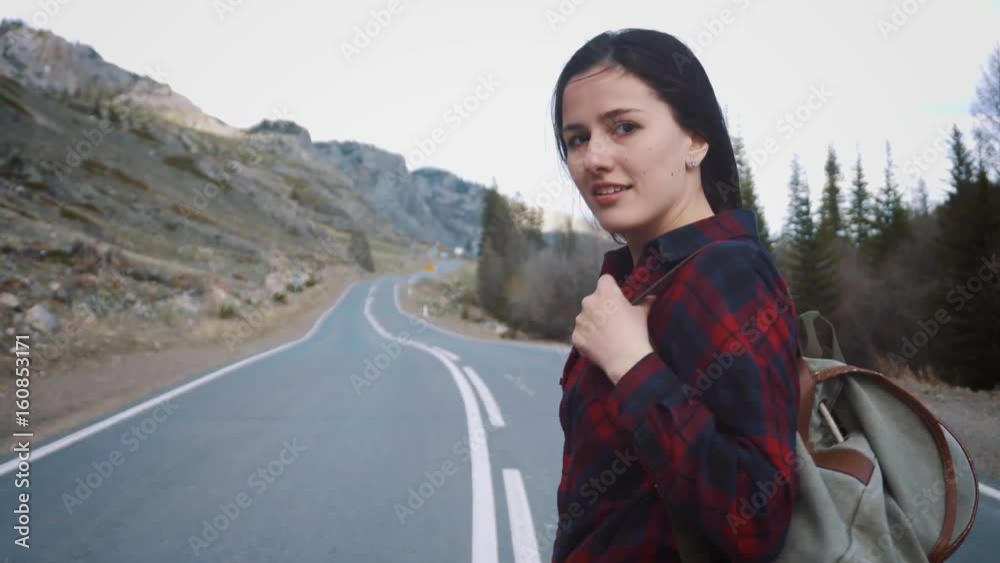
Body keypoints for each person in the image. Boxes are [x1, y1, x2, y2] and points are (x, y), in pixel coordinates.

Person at [551, 28, 802, 562]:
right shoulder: (641, 279)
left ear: (696, 139)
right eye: (577, 138)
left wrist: (632, 364)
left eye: (624, 127)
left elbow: (756, 519)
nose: (593, 157)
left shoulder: (726, 274)